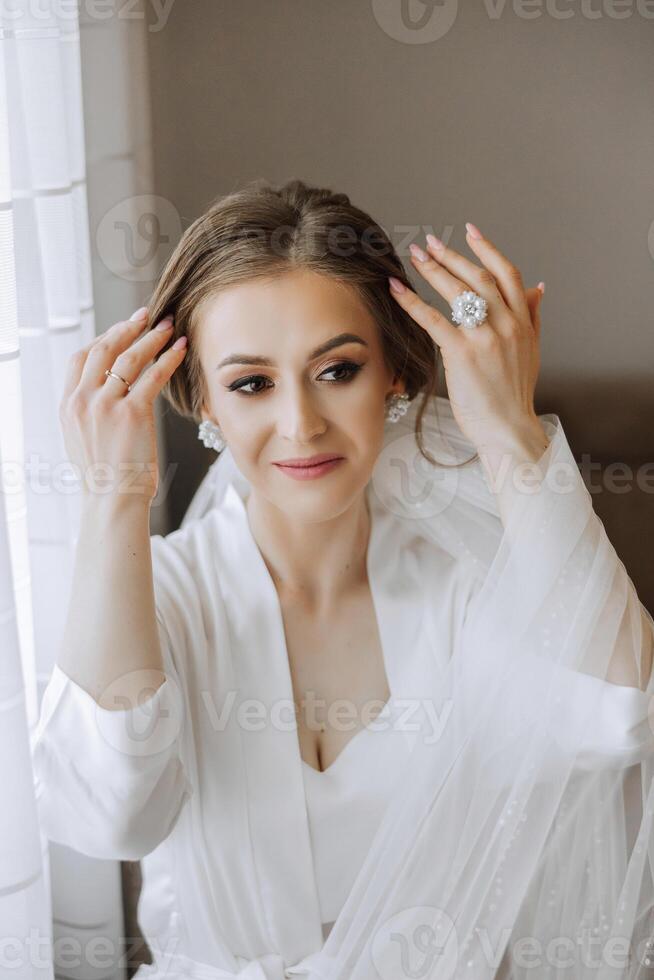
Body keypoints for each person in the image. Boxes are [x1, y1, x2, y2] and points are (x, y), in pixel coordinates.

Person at [31, 179, 654, 980]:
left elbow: (625, 714)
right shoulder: (159, 598)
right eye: (251, 383)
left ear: (394, 373)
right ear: (203, 404)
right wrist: (113, 500)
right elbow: (105, 814)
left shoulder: (467, 587)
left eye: (337, 369)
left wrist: (510, 434)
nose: (301, 424)